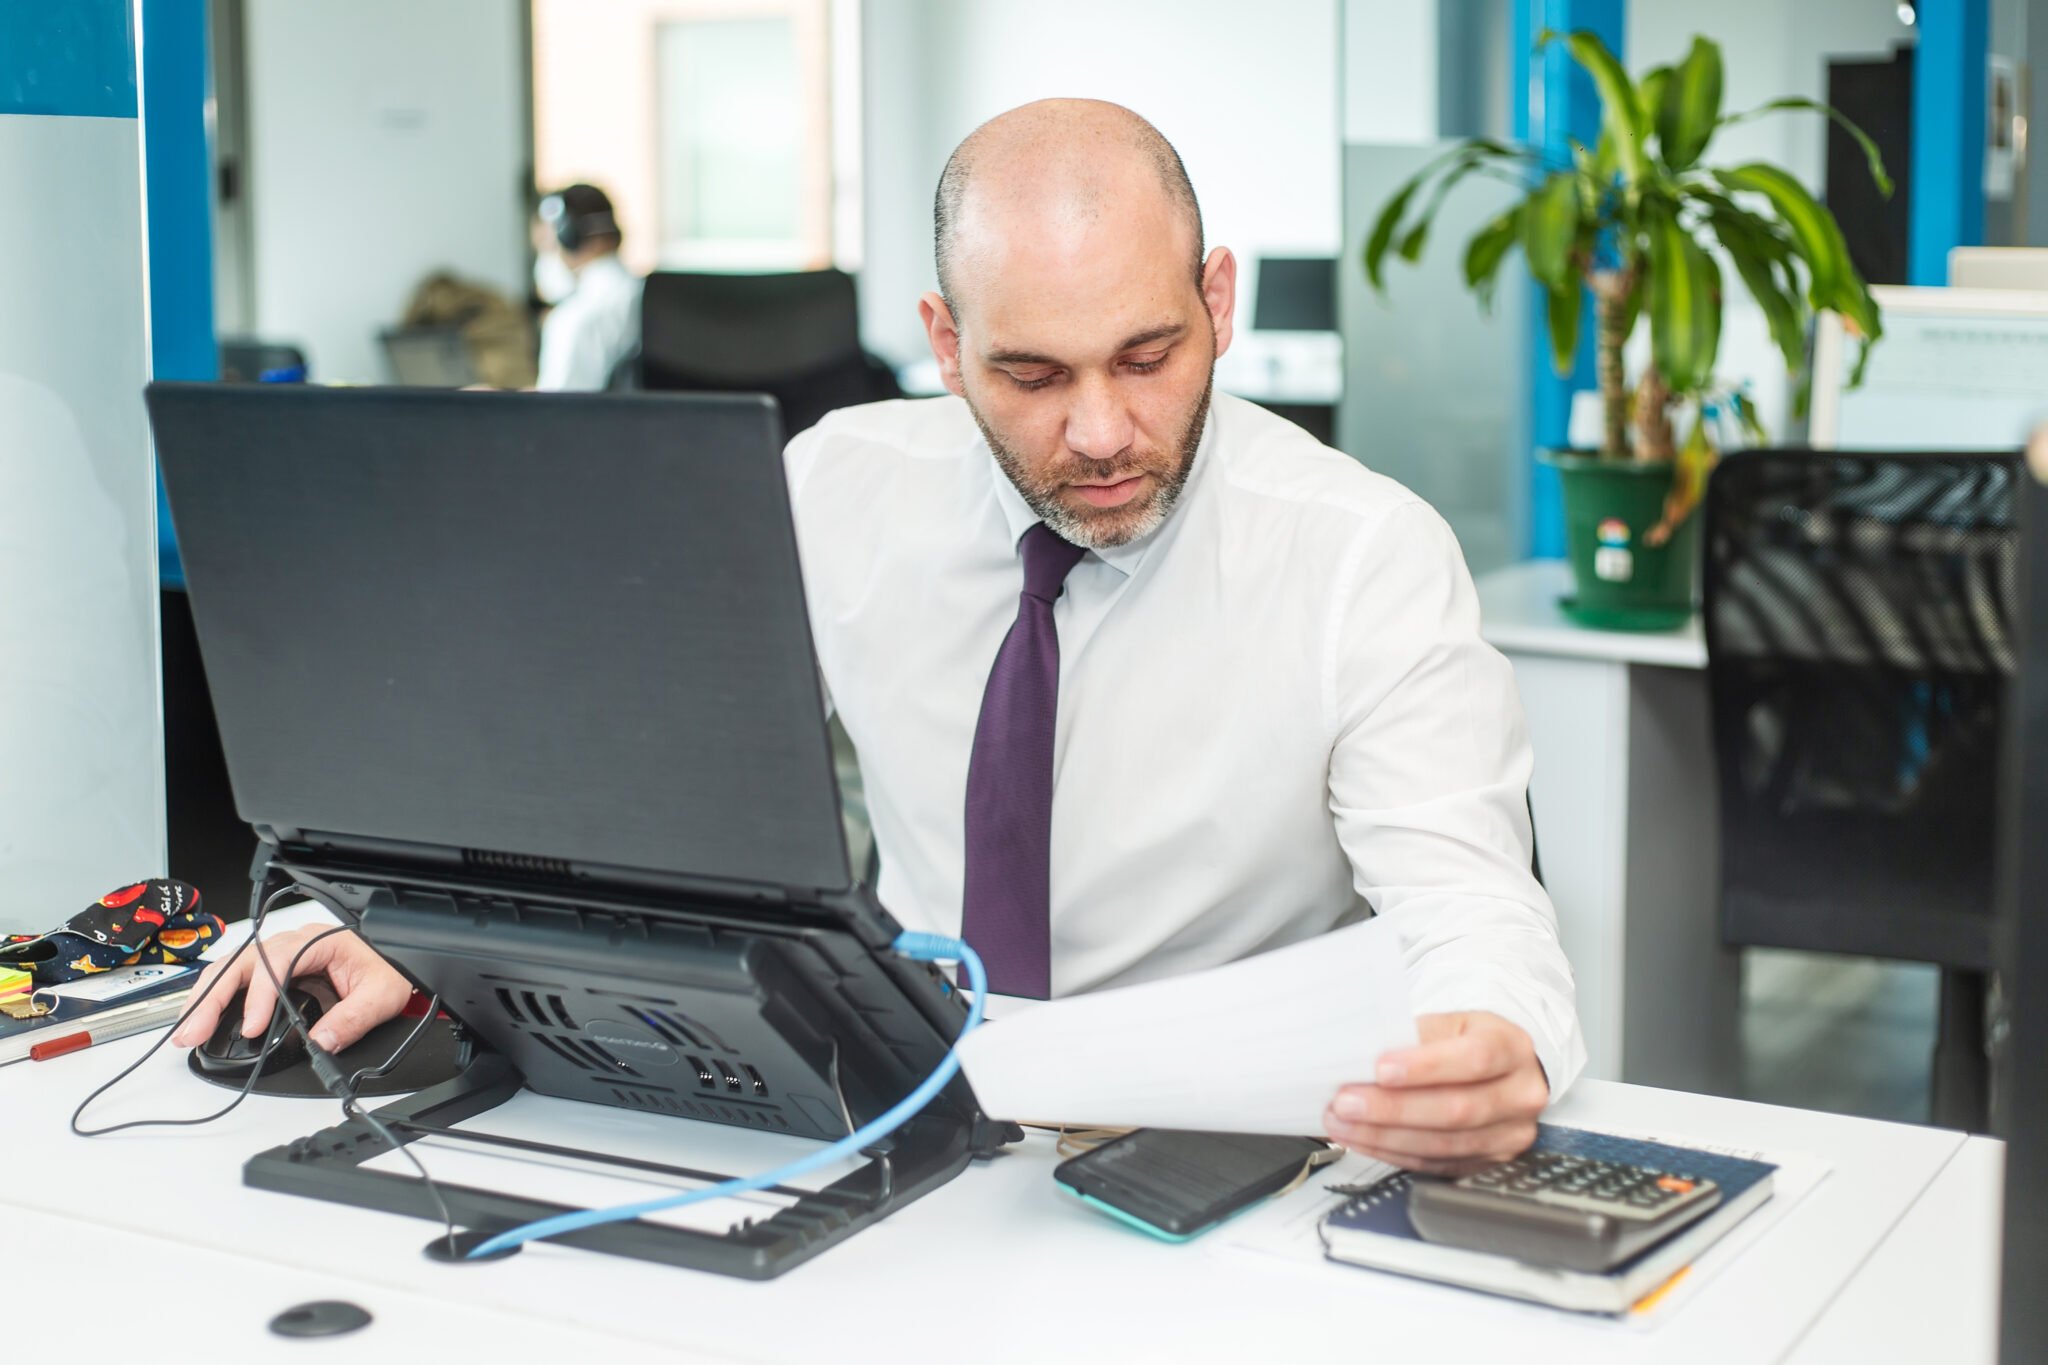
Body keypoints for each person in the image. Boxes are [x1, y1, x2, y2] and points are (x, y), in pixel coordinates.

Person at [174, 101, 1583, 1175]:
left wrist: (1495, 1041)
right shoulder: (845, 481)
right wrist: (409, 926)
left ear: (1219, 303)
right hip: (908, 1108)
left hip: (1221, 1145)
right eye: (1031, 374)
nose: (1098, 432)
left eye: (1148, 357)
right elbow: (626, 774)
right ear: (944, 338)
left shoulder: (1364, 553)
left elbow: (1472, 904)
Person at [530, 183, 641, 391]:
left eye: (548, 246)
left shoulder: (571, 321)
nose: (545, 258)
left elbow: (554, 414)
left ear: (571, 239)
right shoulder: (645, 295)